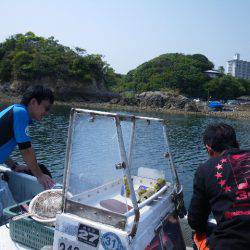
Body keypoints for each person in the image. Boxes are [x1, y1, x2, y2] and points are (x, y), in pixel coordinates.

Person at [188, 123, 250, 250]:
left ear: (209, 149)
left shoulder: (205, 170)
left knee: (197, 235)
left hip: (230, 244)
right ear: (237, 144)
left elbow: (195, 221)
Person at [0, 85, 55, 189]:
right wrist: (40, 175)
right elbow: (26, 150)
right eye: (46, 108)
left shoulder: (14, 111)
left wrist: (13, 166)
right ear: (33, 102)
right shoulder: (21, 113)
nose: (47, 113)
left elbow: (2, 148)